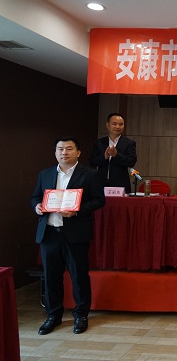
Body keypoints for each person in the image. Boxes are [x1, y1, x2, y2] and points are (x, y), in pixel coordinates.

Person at [31, 137, 106, 335]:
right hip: (49, 233)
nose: (64, 152)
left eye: (69, 149)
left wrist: (77, 211)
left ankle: (81, 315)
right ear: (55, 152)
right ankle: (53, 316)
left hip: (75, 234)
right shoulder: (45, 173)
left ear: (78, 153)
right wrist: (36, 206)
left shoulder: (90, 174)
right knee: (51, 277)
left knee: (78, 276)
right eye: (60, 149)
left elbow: (99, 200)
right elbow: (36, 197)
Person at [89, 113, 137, 193]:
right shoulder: (99, 142)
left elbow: (131, 162)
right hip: (101, 183)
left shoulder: (129, 143)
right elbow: (92, 161)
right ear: (107, 125)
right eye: (114, 124)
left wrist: (116, 155)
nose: (117, 127)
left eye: (121, 124)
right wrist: (104, 157)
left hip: (120, 184)